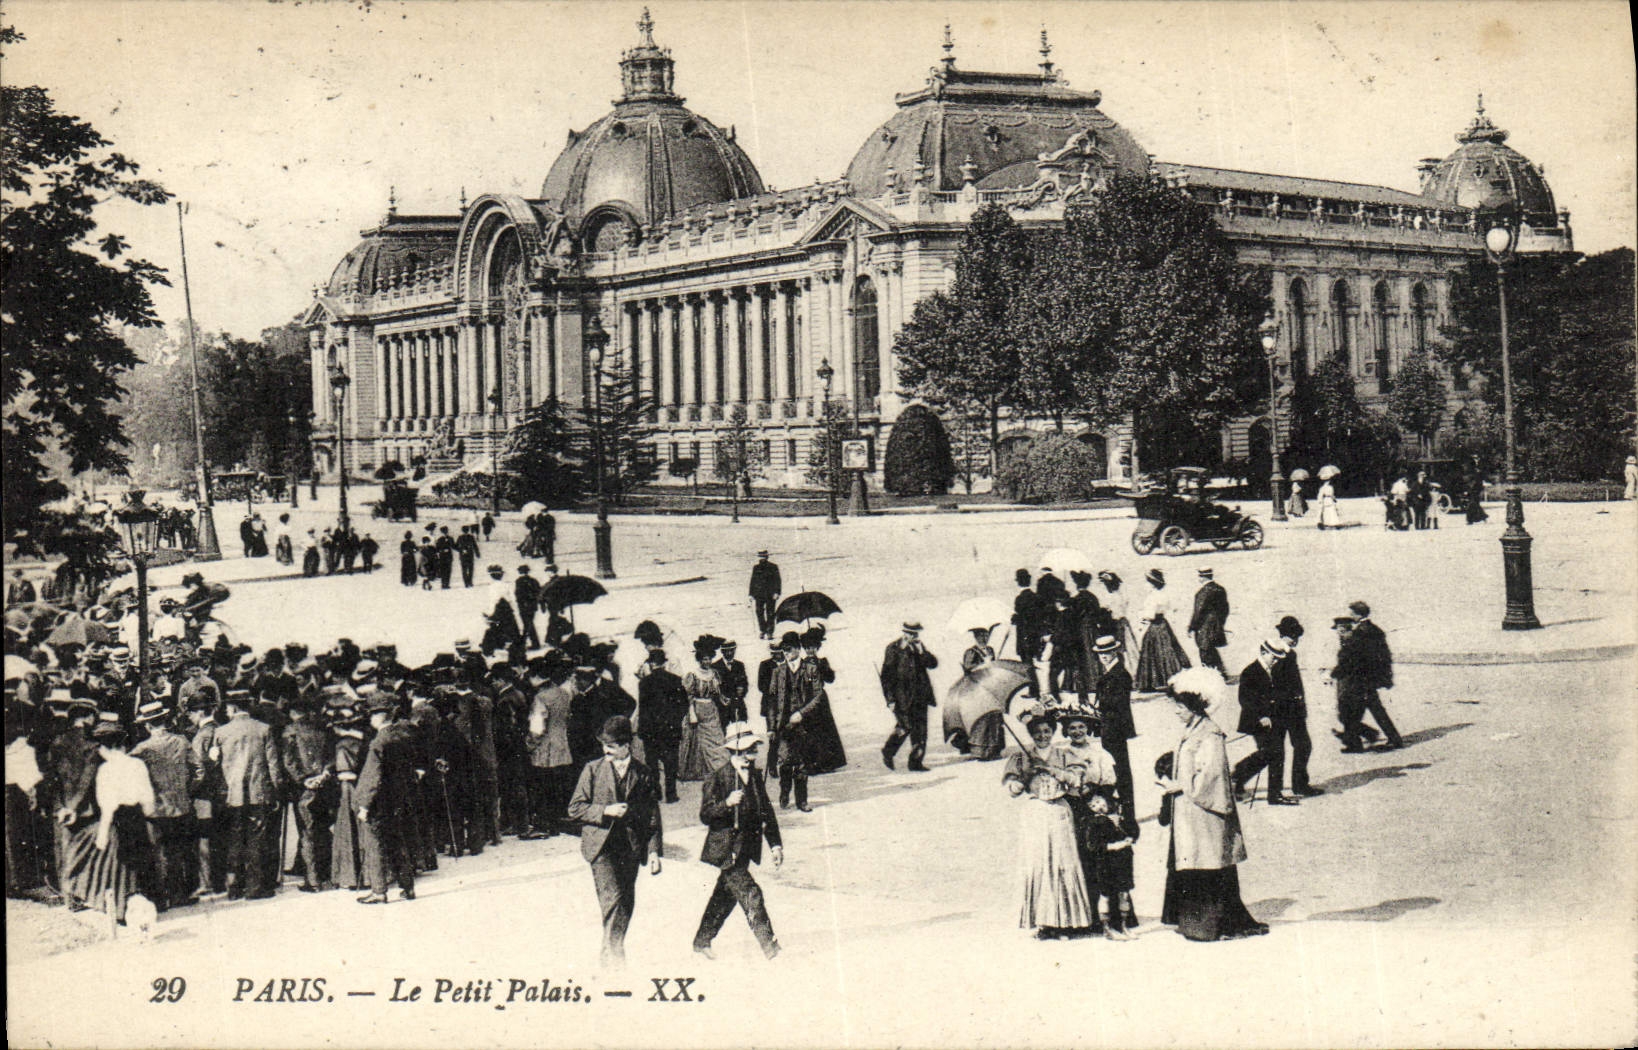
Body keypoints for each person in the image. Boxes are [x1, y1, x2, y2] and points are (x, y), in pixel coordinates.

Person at [1156, 667, 1268, 942]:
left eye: (1180, 706)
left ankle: (1211, 926)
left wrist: (1179, 786)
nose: (1176, 711)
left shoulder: (1210, 734)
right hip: (1191, 812)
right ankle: (1195, 923)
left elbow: (1211, 775)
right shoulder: (1193, 730)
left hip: (1205, 813)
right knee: (1196, 863)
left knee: (1207, 864)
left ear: (1194, 706)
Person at [566, 715, 663, 967]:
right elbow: (575, 808)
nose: (605, 750)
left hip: (631, 847)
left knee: (626, 903)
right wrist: (605, 811)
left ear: (625, 746)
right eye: (603, 745)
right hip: (600, 847)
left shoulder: (643, 773)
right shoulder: (592, 769)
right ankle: (615, 957)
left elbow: (652, 816)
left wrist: (653, 852)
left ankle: (608, 953)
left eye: (610, 746)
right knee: (612, 900)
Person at [1003, 708, 1095, 940]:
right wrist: (1027, 774)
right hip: (1036, 812)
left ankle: (1067, 922)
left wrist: (1051, 770)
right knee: (1040, 864)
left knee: (1062, 862)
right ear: (1031, 734)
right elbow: (1013, 790)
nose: (1042, 736)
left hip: (1059, 811)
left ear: (1052, 733)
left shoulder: (1064, 754)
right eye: (1037, 732)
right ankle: (1044, 923)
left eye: (1046, 731)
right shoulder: (1021, 757)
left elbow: (1076, 780)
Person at [692, 722, 783, 960]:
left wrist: (775, 845)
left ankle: (702, 941)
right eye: (748, 751)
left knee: (724, 897)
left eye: (753, 749)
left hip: (746, 849)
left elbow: (766, 812)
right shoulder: (717, 777)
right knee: (752, 894)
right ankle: (772, 950)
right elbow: (705, 814)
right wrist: (727, 803)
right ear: (735, 751)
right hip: (726, 850)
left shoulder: (755, 776)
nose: (752, 755)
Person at [63, 720, 159, 925]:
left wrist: (102, 835)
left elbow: (108, 807)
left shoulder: (106, 770)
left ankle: (121, 911)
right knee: (137, 866)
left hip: (116, 823)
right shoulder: (138, 764)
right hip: (137, 820)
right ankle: (139, 909)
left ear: (105, 747)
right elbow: (149, 802)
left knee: (113, 868)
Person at [212, 689, 284, 900]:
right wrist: (276, 791)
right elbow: (273, 765)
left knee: (235, 838)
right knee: (256, 839)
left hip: (232, 794)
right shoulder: (264, 729)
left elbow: (215, 765)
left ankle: (234, 887)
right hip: (258, 793)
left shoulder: (221, 732)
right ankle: (255, 888)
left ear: (232, 707)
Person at [130, 700, 197, 910]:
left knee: (157, 853)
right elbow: (199, 770)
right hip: (180, 806)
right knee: (177, 851)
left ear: (147, 725)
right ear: (165, 720)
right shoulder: (182, 741)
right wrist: (186, 791)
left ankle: (159, 899)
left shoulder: (142, 749)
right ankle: (178, 896)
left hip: (155, 808)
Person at [355, 694, 419, 904]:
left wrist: (364, 805)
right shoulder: (403, 736)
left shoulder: (378, 742)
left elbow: (372, 777)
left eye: (373, 714)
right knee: (398, 842)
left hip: (379, 803)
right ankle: (408, 887)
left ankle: (379, 891)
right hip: (398, 799)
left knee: (375, 845)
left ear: (379, 716)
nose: (371, 718)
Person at [1229, 639, 1299, 805]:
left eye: (1278, 659)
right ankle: (1269, 792)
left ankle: (1241, 775)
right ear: (1263, 653)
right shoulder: (1250, 672)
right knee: (1272, 753)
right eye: (1273, 657)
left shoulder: (1275, 670)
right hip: (1256, 722)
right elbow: (1245, 699)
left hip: (1274, 721)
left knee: (1273, 754)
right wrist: (1261, 716)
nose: (1275, 661)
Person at [281, 696, 337, 892]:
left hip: (304, 789)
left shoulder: (290, 731)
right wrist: (324, 775)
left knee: (307, 833)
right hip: (324, 786)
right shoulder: (323, 729)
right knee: (323, 830)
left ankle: (312, 880)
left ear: (292, 713)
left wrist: (303, 779)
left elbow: (288, 761)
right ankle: (328, 876)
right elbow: (332, 756)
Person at [1334, 601, 1403, 751]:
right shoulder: (1375, 630)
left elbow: (1356, 657)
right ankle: (1388, 738)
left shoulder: (1361, 632)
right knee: (1373, 708)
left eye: (1352, 613)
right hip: (1371, 677)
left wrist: (1337, 672)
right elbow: (1384, 656)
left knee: (1357, 711)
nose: (1350, 615)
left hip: (1361, 678)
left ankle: (1359, 741)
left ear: (1358, 614)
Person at [765, 634, 820, 810]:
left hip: (804, 725)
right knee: (785, 762)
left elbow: (818, 696)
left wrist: (802, 713)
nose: (786, 653)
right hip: (784, 726)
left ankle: (802, 801)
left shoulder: (810, 669)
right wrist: (771, 727)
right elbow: (771, 701)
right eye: (784, 650)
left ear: (798, 649)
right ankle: (784, 793)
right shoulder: (778, 672)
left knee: (802, 764)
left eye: (789, 649)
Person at [1091, 635, 1137, 831]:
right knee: (1116, 771)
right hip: (1109, 729)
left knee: (1120, 773)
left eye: (1107, 652)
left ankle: (1128, 819)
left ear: (1115, 652)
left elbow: (1116, 704)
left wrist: (1096, 711)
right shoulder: (1110, 672)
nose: (1103, 656)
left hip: (1115, 730)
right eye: (1100, 653)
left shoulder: (1119, 674)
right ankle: (1122, 816)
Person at [879, 621, 938, 772]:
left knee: (921, 730)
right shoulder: (893, 649)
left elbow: (933, 664)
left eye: (915, 634)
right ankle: (888, 751)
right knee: (904, 727)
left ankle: (915, 763)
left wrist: (922, 652)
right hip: (902, 698)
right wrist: (890, 700)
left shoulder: (919, 647)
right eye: (910, 633)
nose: (913, 636)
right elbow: (886, 677)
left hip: (921, 696)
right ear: (904, 633)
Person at [635, 649, 688, 804]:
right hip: (670, 729)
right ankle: (671, 794)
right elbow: (684, 704)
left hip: (651, 730)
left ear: (651, 664)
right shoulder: (675, 680)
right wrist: (675, 720)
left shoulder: (644, 683)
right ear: (664, 663)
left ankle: (656, 792)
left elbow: (643, 708)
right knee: (671, 762)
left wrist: (642, 728)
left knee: (652, 763)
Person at [679, 638, 729, 781]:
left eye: (709, 659)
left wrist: (723, 699)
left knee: (715, 738)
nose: (707, 662)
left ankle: (718, 768)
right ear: (699, 659)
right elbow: (689, 696)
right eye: (705, 659)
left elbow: (717, 692)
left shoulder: (714, 673)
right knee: (698, 740)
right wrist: (692, 713)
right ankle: (699, 770)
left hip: (711, 710)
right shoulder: (693, 675)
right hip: (697, 709)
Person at [1134, 569, 1190, 692]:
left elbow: (1150, 615)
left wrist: (1141, 615)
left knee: (1153, 651)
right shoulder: (1163, 595)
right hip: (1163, 624)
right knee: (1167, 650)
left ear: (1152, 583)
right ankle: (1172, 679)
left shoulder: (1152, 597)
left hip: (1155, 625)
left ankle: (1155, 682)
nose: (1146, 584)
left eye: (1147, 582)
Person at [1187, 568, 1230, 674]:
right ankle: (1221, 674)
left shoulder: (1203, 592)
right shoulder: (1220, 589)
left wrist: (1191, 627)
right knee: (1211, 650)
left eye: (1199, 576)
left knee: (1205, 651)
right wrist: (1220, 622)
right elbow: (1225, 609)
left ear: (1203, 577)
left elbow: (1198, 611)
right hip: (1216, 625)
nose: (1198, 578)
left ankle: (1211, 675)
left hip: (1204, 627)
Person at [1012, 568, 1045, 699]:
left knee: (1027, 664)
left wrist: (1015, 618)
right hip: (1035, 635)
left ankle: (1034, 690)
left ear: (1018, 582)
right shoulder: (1036, 597)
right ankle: (1035, 689)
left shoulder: (1019, 599)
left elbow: (1020, 618)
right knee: (1031, 663)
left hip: (1024, 636)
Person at [714, 641, 750, 725]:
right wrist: (722, 698)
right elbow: (714, 687)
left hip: (738, 704)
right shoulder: (715, 666)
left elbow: (745, 683)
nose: (729, 653)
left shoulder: (740, 665)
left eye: (732, 650)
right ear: (722, 652)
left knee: (741, 728)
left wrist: (742, 691)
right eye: (726, 651)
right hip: (722, 707)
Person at [748, 551, 782, 641]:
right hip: (758, 594)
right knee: (759, 612)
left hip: (770, 594)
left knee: (770, 613)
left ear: (767, 557)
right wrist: (751, 594)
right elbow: (753, 581)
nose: (762, 558)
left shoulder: (773, 567)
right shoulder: (756, 568)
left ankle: (770, 632)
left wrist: (777, 592)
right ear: (758, 557)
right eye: (760, 556)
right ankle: (762, 630)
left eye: (763, 556)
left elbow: (777, 580)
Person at [515, 566, 542, 651]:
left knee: (528, 625)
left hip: (523, 606)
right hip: (532, 606)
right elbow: (539, 592)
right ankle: (528, 643)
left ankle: (532, 643)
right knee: (528, 624)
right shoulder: (533, 580)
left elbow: (518, 595)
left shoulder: (519, 581)